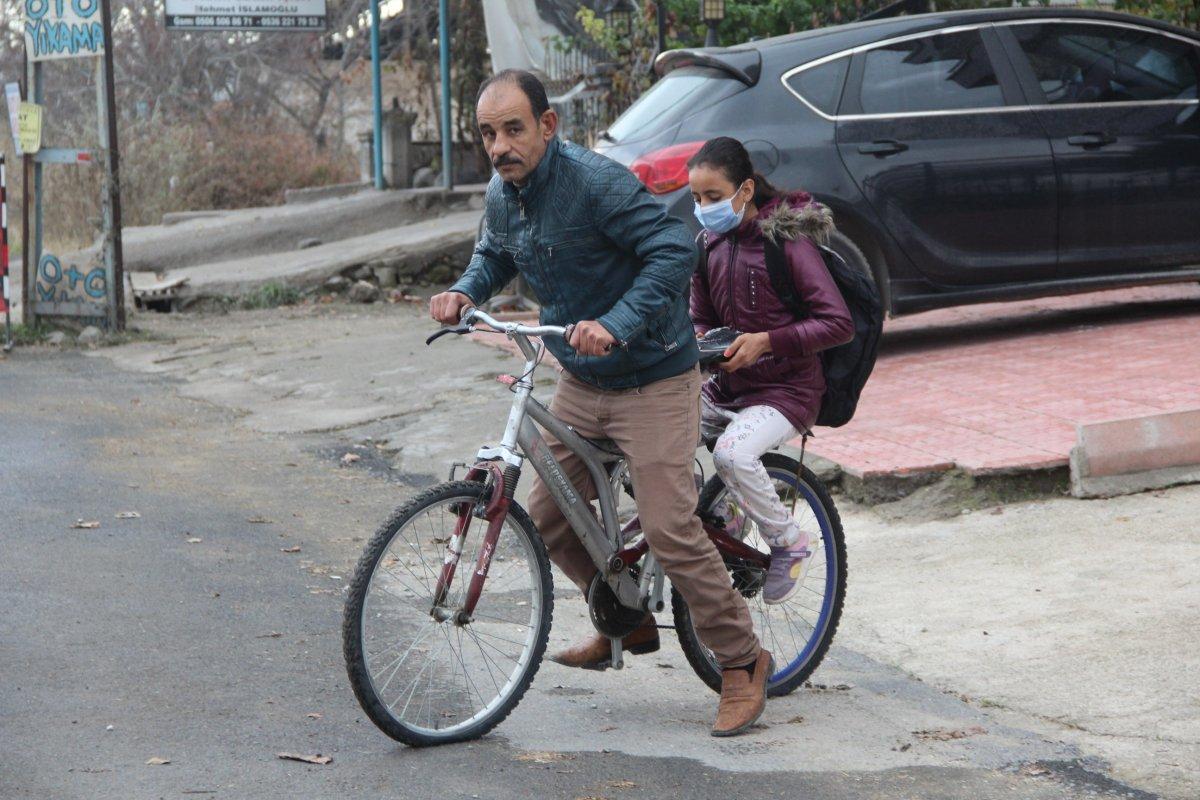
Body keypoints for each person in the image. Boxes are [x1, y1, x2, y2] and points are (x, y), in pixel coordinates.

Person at [429, 72, 772, 737]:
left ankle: (741, 659)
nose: (500, 146)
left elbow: (674, 248)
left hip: (654, 376)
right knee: (550, 514)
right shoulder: (505, 194)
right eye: (487, 134)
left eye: (513, 129)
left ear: (548, 126)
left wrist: (618, 319)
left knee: (670, 527)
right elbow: (494, 254)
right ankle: (625, 614)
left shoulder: (595, 183)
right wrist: (465, 291)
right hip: (584, 378)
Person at [688, 137, 854, 605]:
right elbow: (699, 315)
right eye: (696, 199)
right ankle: (723, 516)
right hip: (726, 386)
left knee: (733, 454)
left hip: (787, 391)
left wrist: (766, 342)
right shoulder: (707, 246)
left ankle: (788, 542)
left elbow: (837, 323)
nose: (704, 208)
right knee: (649, 435)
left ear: (744, 190)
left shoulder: (786, 241)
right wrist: (708, 344)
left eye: (714, 198)